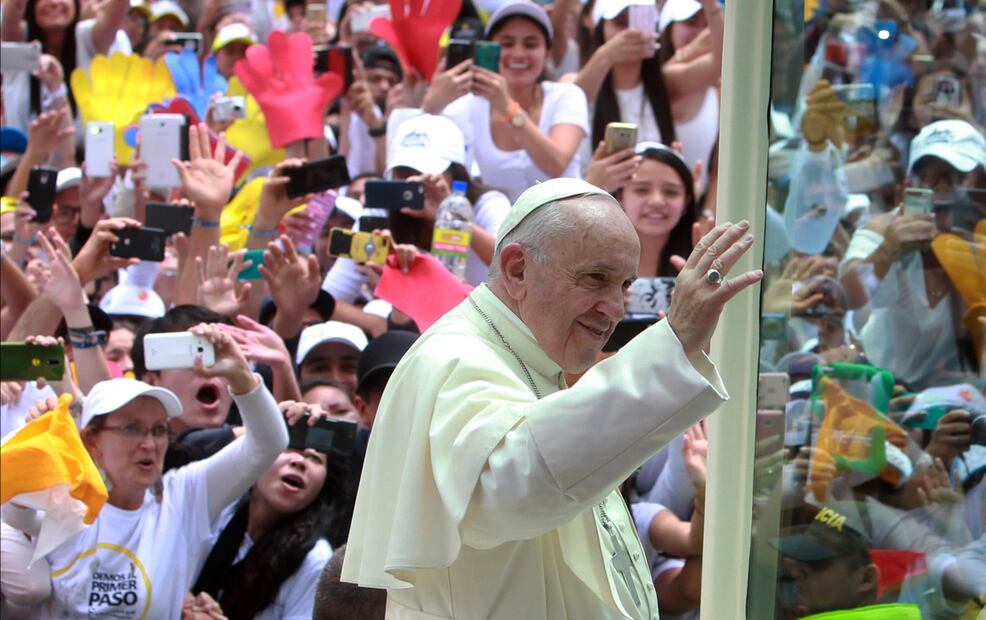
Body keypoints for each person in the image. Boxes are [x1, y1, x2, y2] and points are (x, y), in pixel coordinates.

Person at [342, 178, 762, 619]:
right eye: (596, 278)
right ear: (517, 269)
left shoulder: (529, 357)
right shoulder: (454, 360)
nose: (615, 308)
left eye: (624, 286)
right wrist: (671, 345)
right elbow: (514, 484)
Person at [2, 323, 288, 618]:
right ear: (92, 441)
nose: (149, 444)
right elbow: (15, 512)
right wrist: (37, 451)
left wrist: (240, 375)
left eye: (159, 430)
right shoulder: (69, 499)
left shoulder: (184, 498)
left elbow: (269, 443)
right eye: (132, 429)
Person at [423, 0, 589, 201]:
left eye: (530, 44)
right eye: (507, 44)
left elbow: (556, 163)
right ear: (488, 49)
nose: (518, 54)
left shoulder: (567, 95)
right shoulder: (466, 107)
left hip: (566, 224)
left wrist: (506, 106)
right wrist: (431, 105)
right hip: (498, 228)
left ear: (547, 52)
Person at [193, 403, 345, 619]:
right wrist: (263, 427)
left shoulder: (314, 560)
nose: (300, 461)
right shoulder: (216, 510)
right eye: (290, 447)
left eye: (316, 459)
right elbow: (185, 449)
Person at [588, 141, 697, 277]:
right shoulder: (591, 261)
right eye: (642, 190)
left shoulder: (701, 263)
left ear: (686, 201)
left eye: (671, 192)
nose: (656, 201)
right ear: (621, 196)